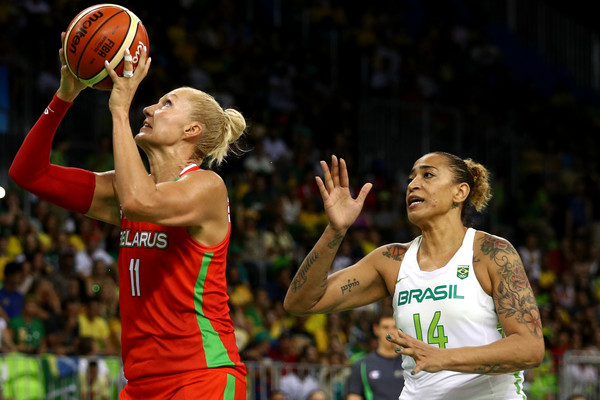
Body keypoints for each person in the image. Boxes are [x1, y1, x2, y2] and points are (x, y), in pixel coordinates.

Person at [9, 34, 247, 399]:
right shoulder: (127, 189)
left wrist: (119, 111)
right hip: (140, 385)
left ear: (191, 131)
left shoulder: (207, 188)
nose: (150, 109)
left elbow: (140, 202)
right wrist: (64, 97)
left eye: (167, 104)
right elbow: (28, 174)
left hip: (202, 376)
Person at [284, 153, 544, 399]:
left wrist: (443, 358)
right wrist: (335, 230)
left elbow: (529, 349)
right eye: (411, 178)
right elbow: (300, 302)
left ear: (460, 192)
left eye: (427, 175)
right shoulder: (391, 261)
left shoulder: (491, 252)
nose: (413, 185)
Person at [346, 312, 404, 400]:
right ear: (376, 330)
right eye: (385, 327)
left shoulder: (411, 362)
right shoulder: (362, 365)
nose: (391, 332)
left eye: (395, 327)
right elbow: (353, 396)